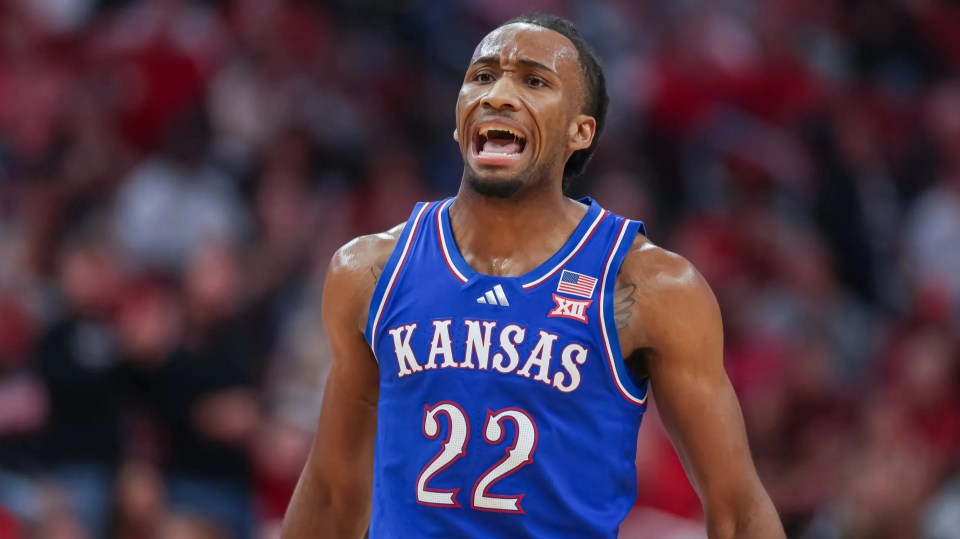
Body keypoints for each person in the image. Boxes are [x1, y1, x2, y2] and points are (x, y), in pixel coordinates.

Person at [282, 13, 785, 538]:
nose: (498, 94)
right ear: (458, 121)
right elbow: (333, 494)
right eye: (481, 76)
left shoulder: (649, 285)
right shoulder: (369, 271)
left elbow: (737, 509)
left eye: (534, 80)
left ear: (580, 131)